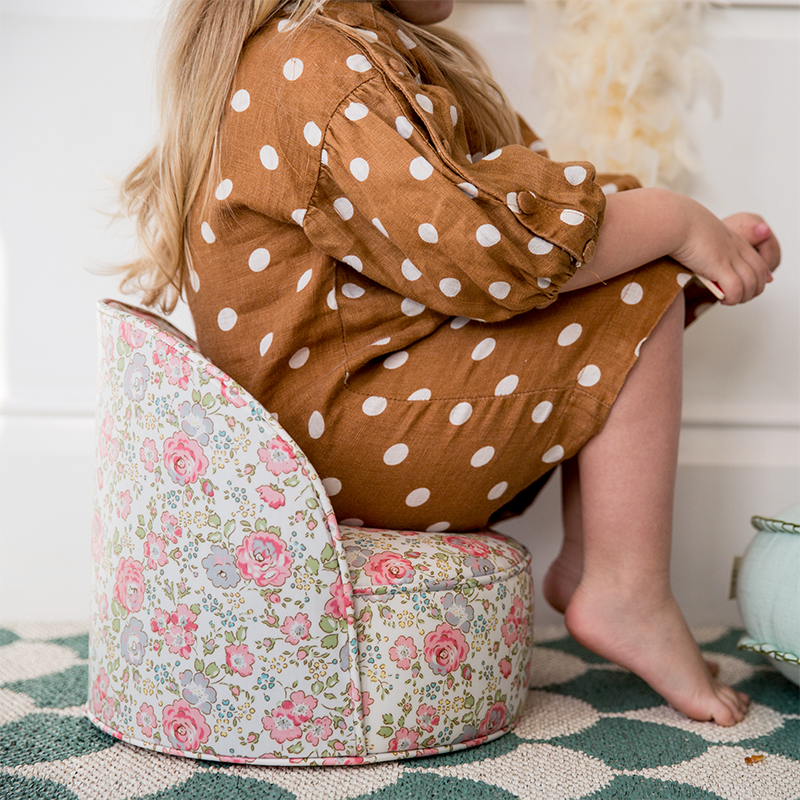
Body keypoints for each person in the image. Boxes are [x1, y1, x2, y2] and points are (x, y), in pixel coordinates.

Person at [118, 0, 781, 727]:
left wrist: (695, 235)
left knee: (637, 265)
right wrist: (674, 222)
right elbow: (488, 247)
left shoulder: (336, 51)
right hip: (335, 440)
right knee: (641, 288)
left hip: (322, 428)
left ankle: (594, 565)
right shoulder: (317, 69)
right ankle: (627, 587)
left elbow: (532, 203)